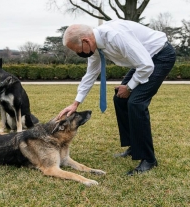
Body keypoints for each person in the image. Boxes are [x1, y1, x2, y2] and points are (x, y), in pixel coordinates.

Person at [58, 19, 176, 176]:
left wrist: (129, 87)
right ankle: (134, 145)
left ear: (86, 40)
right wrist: (75, 104)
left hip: (159, 57)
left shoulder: (115, 36)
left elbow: (147, 66)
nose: (79, 54)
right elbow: (91, 74)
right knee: (120, 99)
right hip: (143, 61)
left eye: (78, 50)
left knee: (136, 103)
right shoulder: (94, 47)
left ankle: (148, 159)